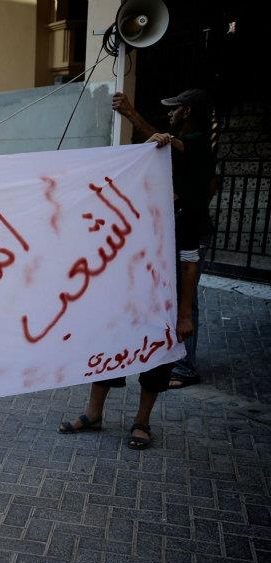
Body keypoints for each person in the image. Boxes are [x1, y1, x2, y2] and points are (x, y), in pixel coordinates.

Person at [59, 90, 210, 450]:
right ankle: (94, 413)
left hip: (163, 298)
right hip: (127, 295)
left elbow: (190, 264)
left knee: (156, 356)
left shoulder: (187, 213)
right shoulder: (140, 208)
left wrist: (184, 314)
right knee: (109, 344)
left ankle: (142, 422)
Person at [112, 89, 216, 390]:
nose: (170, 113)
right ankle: (171, 353)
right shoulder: (190, 144)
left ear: (187, 111)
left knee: (186, 296)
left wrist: (131, 113)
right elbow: (212, 184)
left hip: (190, 231)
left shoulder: (196, 142)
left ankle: (184, 366)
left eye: (174, 108)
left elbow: (171, 147)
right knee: (175, 292)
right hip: (181, 225)